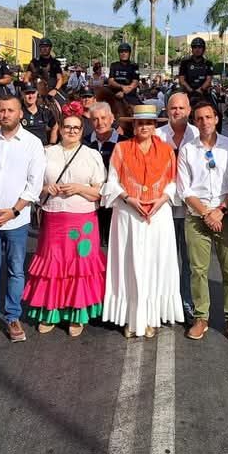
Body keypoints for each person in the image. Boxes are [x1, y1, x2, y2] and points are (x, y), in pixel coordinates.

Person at [23, 103, 107, 336]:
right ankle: (51, 312)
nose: (71, 131)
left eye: (76, 128)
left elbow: (100, 192)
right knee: (53, 267)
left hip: (83, 220)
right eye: (67, 127)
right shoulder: (46, 153)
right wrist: (45, 186)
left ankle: (76, 315)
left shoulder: (92, 155)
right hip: (54, 218)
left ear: (82, 130)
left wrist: (79, 188)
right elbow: (33, 187)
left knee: (79, 269)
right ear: (60, 129)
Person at [102, 104, 184, 337]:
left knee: (155, 263)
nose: (144, 127)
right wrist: (129, 199)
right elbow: (112, 181)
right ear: (134, 125)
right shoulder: (121, 148)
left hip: (158, 216)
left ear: (155, 125)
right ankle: (131, 318)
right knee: (131, 264)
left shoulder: (167, 150)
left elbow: (174, 182)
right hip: (129, 215)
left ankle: (150, 317)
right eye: (140, 123)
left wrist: (161, 199)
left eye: (149, 123)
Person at [0, 95, 47, 343]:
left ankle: (13, 317)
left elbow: (34, 185)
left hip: (16, 220)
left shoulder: (32, 143)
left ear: (20, 114)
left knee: (15, 270)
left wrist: (13, 211)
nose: (5, 114)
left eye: (10, 110)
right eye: (2, 110)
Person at [178, 100, 228, 342]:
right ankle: (201, 317)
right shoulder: (187, 150)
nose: (204, 122)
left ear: (216, 118)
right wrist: (206, 213)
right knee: (198, 271)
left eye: (208, 117)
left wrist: (221, 210)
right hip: (197, 217)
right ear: (195, 122)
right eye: (199, 118)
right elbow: (185, 189)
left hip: (225, 215)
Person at [157, 91, 199, 318]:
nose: (177, 112)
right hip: (162, 208)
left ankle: (186, 301)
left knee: (189, 260)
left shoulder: (199, 135)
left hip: (190, 209)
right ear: (167, 110)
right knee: (164, 258)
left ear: (189, 110)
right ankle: (164, 303)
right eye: (173, 108)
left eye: (181, 108)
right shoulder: (157, 135)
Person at [87, 101, 122, 247]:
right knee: (90, 244)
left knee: (114, 246)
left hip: (116, 202)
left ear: (112, 118)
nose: (100, 122)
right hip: (90, 201)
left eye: (103, 118)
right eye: (95, 119)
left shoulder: (124, 143)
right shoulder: (84, 143)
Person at [178, 38, 214, 104]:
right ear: (192, 49)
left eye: (200, 47)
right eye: (195, 47)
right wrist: (191, 91)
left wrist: (201, 90)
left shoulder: (208, 63)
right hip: (187, 92)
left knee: (215, 108)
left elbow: (208, 80)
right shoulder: (185, 62)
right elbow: (181, 79)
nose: (197, 49)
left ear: (203, 49)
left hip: (203, 93)